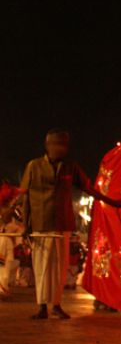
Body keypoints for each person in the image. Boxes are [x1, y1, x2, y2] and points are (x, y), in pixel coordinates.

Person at [20, 130, 92, 320]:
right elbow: (25, 196)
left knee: (60, 267)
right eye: (55, 143)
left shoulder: (71, 167)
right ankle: (42, 306)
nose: (60, 147)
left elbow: (88, 187)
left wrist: (113, 201)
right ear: (47, 145)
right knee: (42, 266)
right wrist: (24, 225)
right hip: (40, 224)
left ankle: (56, 305)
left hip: (62, 224)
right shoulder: (34, 166)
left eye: (63, 144)